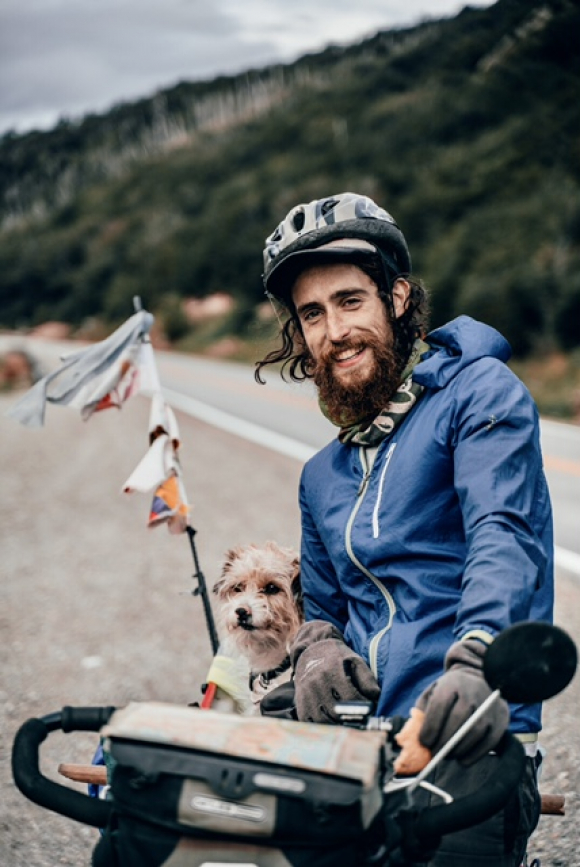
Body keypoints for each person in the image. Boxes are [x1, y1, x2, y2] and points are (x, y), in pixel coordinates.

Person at [255, 192, 554, 867]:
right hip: (355, 752)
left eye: (349, 300)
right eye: (312, 314)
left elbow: (502, 535)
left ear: (395, 297)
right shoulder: (321, 476)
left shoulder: (480, 395)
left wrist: (479, 655)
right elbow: (325, 609)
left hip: (470, 739)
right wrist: (317, 652)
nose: (334, 331)